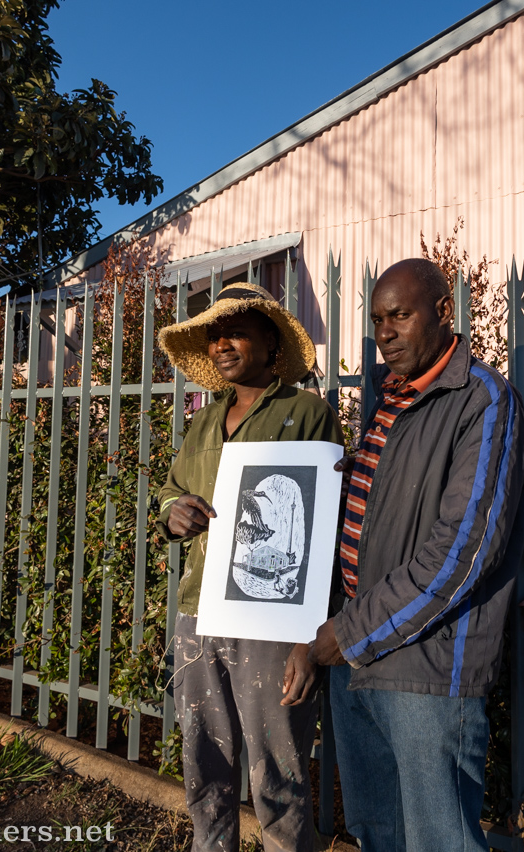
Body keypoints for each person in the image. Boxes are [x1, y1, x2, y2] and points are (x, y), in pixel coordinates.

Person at [309, 258, 524, 852]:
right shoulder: (390, 399)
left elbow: (462, 552)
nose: (384, 332)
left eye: (400, 315)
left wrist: (349, 632)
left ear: (442, 310)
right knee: (375, 832)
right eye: (378, 319)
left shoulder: (481, 399)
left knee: (438, 840)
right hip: (356, 657)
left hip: (426, 671)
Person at [156, 283, 343, 852]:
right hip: (197, 612)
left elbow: (326, 533)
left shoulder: (308, 414)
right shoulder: (203, 423)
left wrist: (305, 641)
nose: (223, 344)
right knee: (203, 758)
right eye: (214, 335)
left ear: (270, 340)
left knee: (278, 770)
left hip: (273, 619)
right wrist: (173, 514)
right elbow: (171, 491)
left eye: (236, 330)